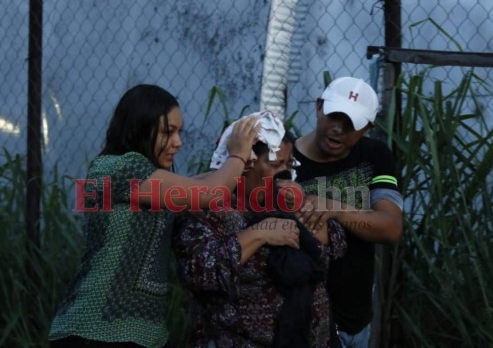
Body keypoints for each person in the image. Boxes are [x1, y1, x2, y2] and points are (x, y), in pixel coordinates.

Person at [48, 84, 259, 348]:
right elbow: (210, 192)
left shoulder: (144, 178)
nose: (178, 142)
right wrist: (237, 154)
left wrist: (234, 166)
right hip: (97, 329)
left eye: (179, 132)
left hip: (136, 332)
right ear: (140, 128)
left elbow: (194, 186)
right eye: (168, 132)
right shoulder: (120, 166)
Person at [173, 112, 347, 347]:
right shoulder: (205, 210)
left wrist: (299, 214)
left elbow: (336, 243)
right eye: (275, 165)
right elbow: (201, 272)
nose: (284, 174)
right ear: (244, 164)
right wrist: (260, 232)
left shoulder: (288, 200)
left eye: (288, 164)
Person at [292, 77, 403, 348]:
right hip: (299, 323)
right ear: (319, 107)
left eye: (351, 123)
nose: (338, 129)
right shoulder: (284, 162)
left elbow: (390, 228)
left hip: (355, 322)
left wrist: (333, 208)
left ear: (367, 127)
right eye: (334, 116)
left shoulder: (375, 156)